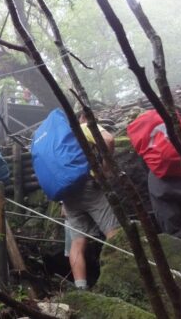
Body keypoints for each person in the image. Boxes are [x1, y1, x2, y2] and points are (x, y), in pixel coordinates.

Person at [63, 111, 120, 290]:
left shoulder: (61, 138)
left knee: (77, 243)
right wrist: (104, 170)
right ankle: (117, 279)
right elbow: (109, 140)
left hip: (67, 194)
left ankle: (81, 288)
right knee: (114, 234)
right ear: (83, 117)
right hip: (88, 186)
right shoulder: (83, 127)